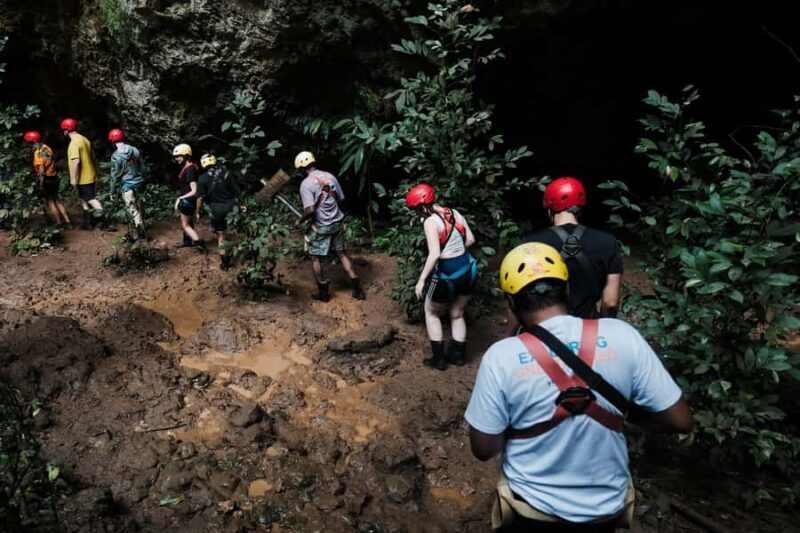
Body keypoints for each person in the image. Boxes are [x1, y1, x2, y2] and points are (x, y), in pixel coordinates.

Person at [465, 243, 692, 531]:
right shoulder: (622, 336)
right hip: (605, 511)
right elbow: (680, 420)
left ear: (511, 303)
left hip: (532, 510)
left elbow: (484, 448)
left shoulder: (501, 357)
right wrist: (620, 414)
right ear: (568, 289)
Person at [524, 176, 623, 319]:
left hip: (546, 326)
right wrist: (600, 327)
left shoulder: (531, 243)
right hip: (587, 324)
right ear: (579, 209)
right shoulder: (607, 242)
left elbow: (523, 297)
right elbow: (610, 303)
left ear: (550, 210)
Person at [405, 184, 477, 370]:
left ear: (423, 206)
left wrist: (421, 280)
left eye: (416, 209)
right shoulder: (454, 212)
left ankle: (439, 360)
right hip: (468, 268)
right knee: (457, 313)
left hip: (447, 273)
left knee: (431, 312)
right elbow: (470, 239)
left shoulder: (430, 222)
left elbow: (435, 254)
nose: (417, 213)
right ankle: (458, 357)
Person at [294, 150, 365, 302]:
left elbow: (310, 210)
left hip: (322, 226)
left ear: (302, 168)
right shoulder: (329, 176)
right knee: (342, 253)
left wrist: (300, 220)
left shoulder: (306, 184)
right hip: (337, 222)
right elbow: (341, 198)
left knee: (315, 257)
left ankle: (323, 293)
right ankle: (357, 290)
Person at [62, 118, 111, 230]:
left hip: (83, 178)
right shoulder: (84, 139)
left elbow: (76, 161)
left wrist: (73, 178)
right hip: (90, 174)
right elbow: (92, 156)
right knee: (84, 199)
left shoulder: (74, 143)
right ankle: (88, 223)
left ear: (66, 130)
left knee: (91, 199)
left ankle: (107, 222)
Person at [197, 154, 240, 270]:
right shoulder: (226, 173)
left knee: (221, 235)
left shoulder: (202, 178)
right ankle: (239, 252)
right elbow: (236, 191)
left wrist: (198, 212)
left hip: (217, 209)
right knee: (233, 231)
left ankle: (225, 264)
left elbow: (200, 198)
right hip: (231, 207)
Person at [24, 130, 72, 228]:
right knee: (57, 200)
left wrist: (41, 184)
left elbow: (41, 170)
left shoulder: (38, 152)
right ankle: (68, 221)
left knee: (51, 202)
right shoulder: (46, 148)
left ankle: (59, 223)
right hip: (54, 177)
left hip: (47, 179)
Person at [108, 128, 146, 241]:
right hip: (139, 183)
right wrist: (143, 179)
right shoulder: (134, 150)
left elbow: (114, 175)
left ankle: (139, 235)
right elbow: (143, 167)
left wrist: (112, 191)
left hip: (127, 185)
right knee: (140, 208)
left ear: (112, 141)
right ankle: (139, 231)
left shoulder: (116, 156)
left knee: (132, 210)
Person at [172, 143, 207, 253]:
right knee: (188, 221)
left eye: (178, 156)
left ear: (186, 156)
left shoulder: (190, 169)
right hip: (188, 200)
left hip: (188, 200)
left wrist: (180, 198)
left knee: (185, 224)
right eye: (176, 157)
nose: (176, 159)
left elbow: (194, 190)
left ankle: (200, 244)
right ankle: (187, 241)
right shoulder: (190, 167)